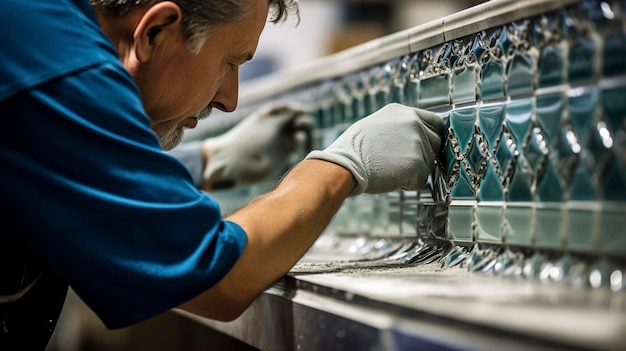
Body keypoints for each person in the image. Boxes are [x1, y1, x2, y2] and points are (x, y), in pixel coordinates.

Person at [0, 1, 444, 351]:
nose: (230, 99)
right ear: (155, 31)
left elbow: (83, 168)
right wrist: (342, 166)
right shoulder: (60, 63)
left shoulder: (39, 27)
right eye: (230, 62)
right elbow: (215, 276)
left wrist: (206, 162)